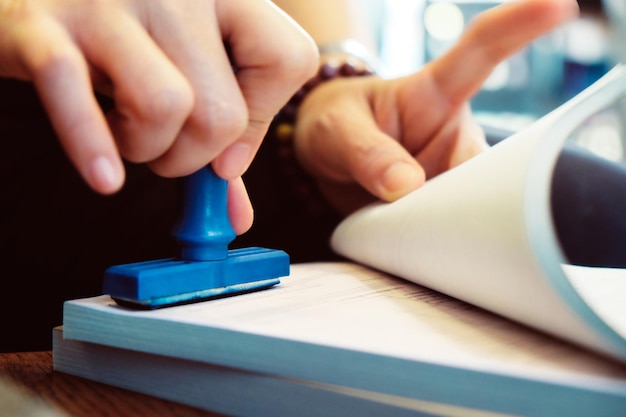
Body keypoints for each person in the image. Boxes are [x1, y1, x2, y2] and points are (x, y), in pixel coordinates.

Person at [0, 0, 579, 352]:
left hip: (231, 129)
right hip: (46, 109)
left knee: (580, 198)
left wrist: (329, 88)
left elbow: (306, 35)